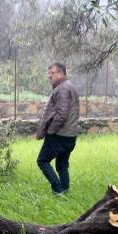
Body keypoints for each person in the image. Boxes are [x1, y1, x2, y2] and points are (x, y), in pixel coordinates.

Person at [35, 62, 80, 195]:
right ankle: (65, 190)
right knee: (62, 164)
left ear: (61, 73)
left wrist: (50, 131)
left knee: (42, 160)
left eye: (52, 73)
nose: (49, 76)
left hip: (60, 135)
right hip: (70, 135)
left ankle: (58, 189)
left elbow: (61, 115)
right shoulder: (68, 86)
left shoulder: (63, 89)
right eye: (49, 73)